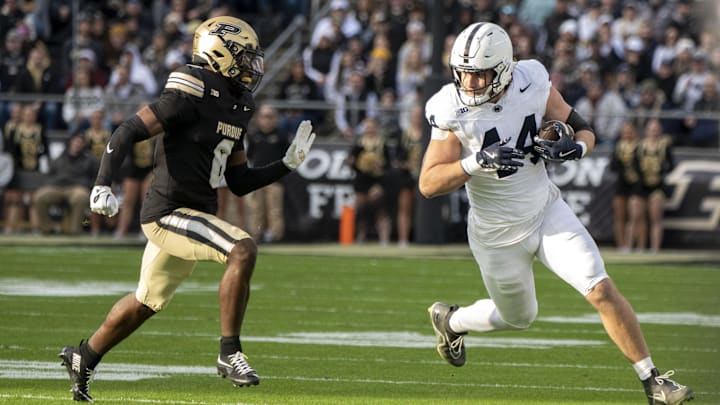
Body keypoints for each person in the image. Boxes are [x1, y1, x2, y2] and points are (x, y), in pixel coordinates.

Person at [418, 22, 693, 405]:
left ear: (503, 69)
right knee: (519, 317)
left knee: (600, 288)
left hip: (547, 211)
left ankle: (653, 382)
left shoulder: (531, 78)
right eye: (463, 73)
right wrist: (476, 162)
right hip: (496, 235)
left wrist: (575, 149)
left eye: (479, 74)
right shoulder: (450, 107)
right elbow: (429, 184)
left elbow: (583, 129)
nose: (470, 83)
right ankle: (453, 321)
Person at [58, 16, 316, 402]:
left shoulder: (240, 102)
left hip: (194, 212)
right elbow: (127, 130)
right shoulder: (193, 86)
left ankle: (85, 356)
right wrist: (102, 183)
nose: (252, 67)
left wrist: (286, 164)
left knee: (145, 302)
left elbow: (239, 180)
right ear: (219, 53)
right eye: (244, 58)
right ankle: (230, 352)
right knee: (242, 249)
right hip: (167, 211)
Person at [32, 132, 97, 235]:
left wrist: (88, 185)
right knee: (40, 196)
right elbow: (49, 174)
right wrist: (50, 183)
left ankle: (74, 230)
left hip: (77, 187)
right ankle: (47, 229)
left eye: (80, 142)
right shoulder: (60, 157)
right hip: (57, 187)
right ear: (70, 142)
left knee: (81, 196)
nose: (77, 144)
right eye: (75, 141)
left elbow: (95, 178)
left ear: (84, 145)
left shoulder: (89, 159)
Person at [245, 105, 290, 243]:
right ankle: (255, 235)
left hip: (275, 179)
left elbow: (287, 156)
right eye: (265, 116)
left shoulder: (282, 135)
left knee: (274, 209)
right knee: (256, 208)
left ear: (276, 119)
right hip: (257, 177)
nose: (268, 120)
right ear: (259, 119)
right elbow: (249, 155)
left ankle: (275, 236)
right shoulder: (253, 135)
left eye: (271, 117)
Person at [635, 118, 675, 253]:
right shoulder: (640, 146)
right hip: (642, 185)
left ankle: (655, 248)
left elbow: (671, 166)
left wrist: (661, 172)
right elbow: (635, 165)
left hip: (657, 186)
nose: (654, 132)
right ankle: (640, 247)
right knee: (639, 217)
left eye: (656, 130)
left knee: (656, 218)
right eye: (652, 130)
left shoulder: (664, 147)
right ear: (647, 131)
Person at [610, 121, 642, 252]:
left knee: (635, 215)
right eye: (625, 132)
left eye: (630, 132)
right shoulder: (619, 147)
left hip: (636, 183)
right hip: (622, 183)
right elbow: (613, 166)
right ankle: (621, 245)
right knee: (620, 215)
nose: (627, 134)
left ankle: (633, 244)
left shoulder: (640, 147)